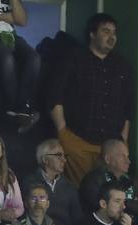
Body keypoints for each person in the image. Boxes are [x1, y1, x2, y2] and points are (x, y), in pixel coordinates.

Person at [48, 14, 133, 183]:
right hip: (78, 140)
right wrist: (63, 131)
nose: (112, 37)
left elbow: (128, 106)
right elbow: (54, 95)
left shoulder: (122, 65)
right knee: (82, 190)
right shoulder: (74, 58)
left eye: (114, 33)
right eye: (106, 31)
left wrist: (123, 140)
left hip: (112, 143)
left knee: (112, 194)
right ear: (92, 34)